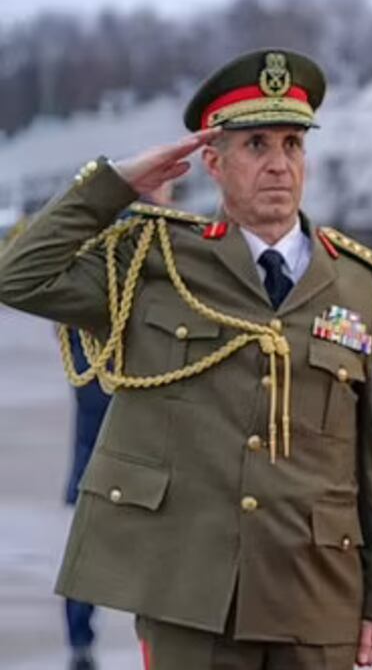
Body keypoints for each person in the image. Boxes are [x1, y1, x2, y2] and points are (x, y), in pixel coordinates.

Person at [0, 49, 372, 670]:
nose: (278, 165)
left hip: (318, 592)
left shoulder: (364, 287)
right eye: (256, 145)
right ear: (213, 162)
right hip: (191, 595)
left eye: (292, 145)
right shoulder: (155, 263)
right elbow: (19, 276)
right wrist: (115, 186)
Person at [60, 178, 175, 670]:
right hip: (144, 453)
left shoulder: (94, 257)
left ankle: (81, 646)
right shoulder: (156, 250)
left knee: (89, 563)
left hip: (97, 446)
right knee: (160, 579)